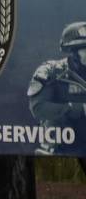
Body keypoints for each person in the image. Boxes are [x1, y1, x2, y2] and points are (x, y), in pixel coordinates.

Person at [28, 21, 86, 157]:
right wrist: (79, 108)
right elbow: (38, 107)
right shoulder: (52, 72)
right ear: (74, 52)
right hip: (62, 149)